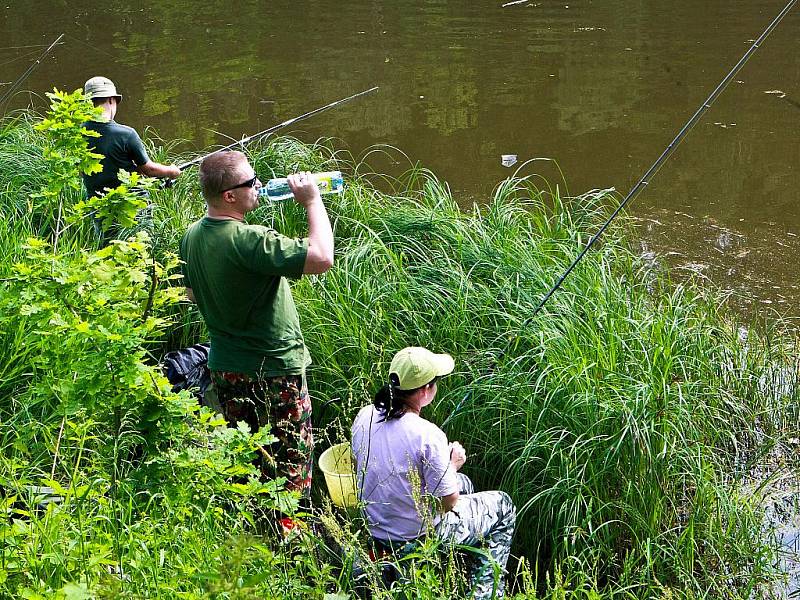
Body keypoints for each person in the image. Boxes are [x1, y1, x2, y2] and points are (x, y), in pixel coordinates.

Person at [180, 150, 333, 501]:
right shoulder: (249, 239)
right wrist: (312, 201)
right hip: (275, 367)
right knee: (291, 462)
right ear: (229, 195)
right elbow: (322, 257)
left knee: (248, 458)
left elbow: (191, 292)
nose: (259, 185)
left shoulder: (191, 236)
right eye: (251, 182)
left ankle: (253, 525)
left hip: (227, 367)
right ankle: (290, 543)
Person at [351, 347, 516, 600]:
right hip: (415, 536)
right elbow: (448, 502)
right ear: (426, 390)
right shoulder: (427, 434)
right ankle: (485, 594)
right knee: (503, 505)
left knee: (465, 484)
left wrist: (448, 471)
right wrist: (452, 463)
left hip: (377, 526)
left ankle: (449, 568)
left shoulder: (365, 415)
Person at [82, 76, 181, 199]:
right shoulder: (126, 134)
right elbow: (149, 170)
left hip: (96, 205)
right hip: (131, 203)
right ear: (111, 100)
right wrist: (171, 171)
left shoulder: (79, 133)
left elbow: (85, 171)